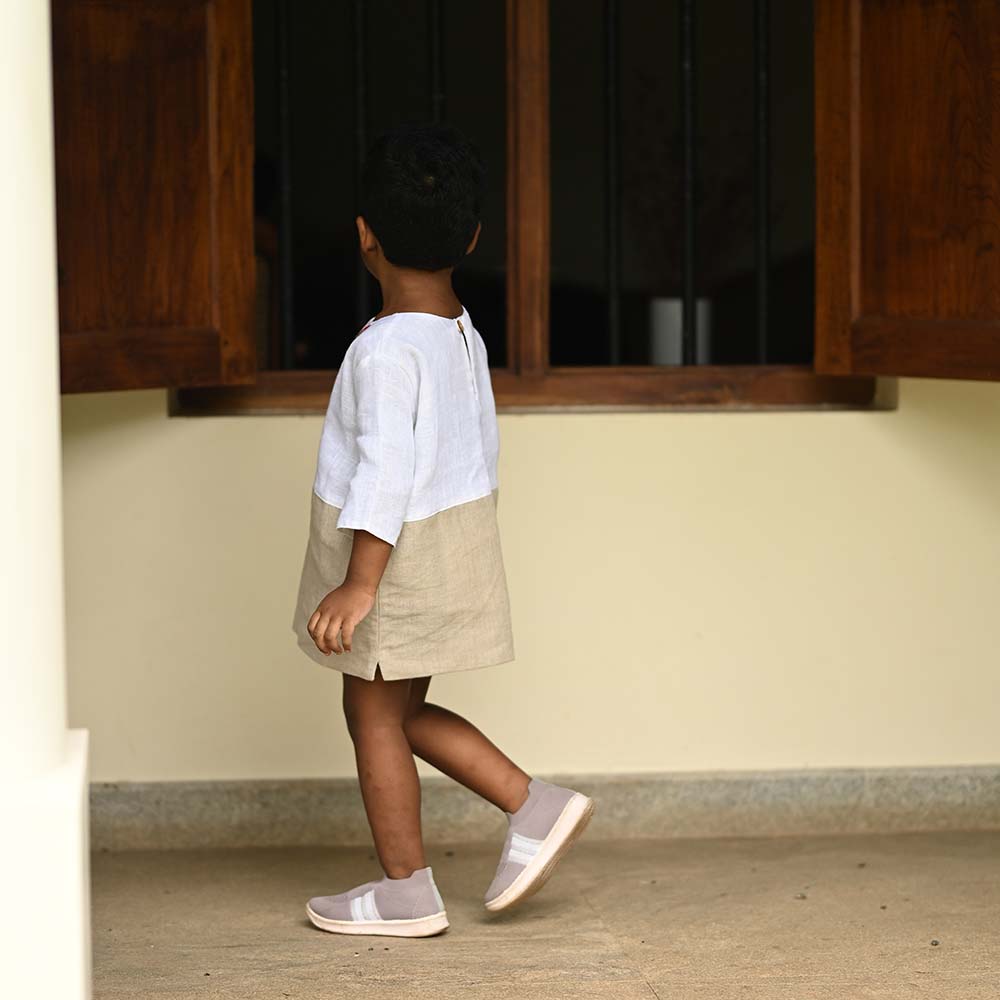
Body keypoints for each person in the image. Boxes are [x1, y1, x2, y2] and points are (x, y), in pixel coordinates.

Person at [290, 122, 594, 938]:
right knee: (400, 712)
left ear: (365, 237)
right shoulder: (461, 334)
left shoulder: (388, 351)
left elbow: (385, 469)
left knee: (372, 715)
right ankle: (533, 806)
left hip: (393, 557)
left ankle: (410, 885)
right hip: (450, 541)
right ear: (471, 238)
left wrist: (360, 581)